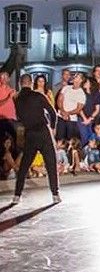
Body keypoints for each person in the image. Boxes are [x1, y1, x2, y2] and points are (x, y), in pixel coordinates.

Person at [11, 74, 61, 205]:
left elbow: (19, 117)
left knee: (24, 165)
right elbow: (52, 112)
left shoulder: (17, 99)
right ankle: (55, 194)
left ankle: (17, 195)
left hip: (30, 134)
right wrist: (53, 127)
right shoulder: (38, 96)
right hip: (42, 132)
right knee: (51, 163)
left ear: (20, 84)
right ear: (31, 82)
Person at [56, 72, 86, 141]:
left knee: (70, 140)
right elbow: (59, 100)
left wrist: (68, 114)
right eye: (75, 76)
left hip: (71, 120)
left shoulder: (81, 94)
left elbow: (78, 109)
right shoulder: (66, 87)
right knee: (59, 139)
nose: (75, 77)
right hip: (61, 117)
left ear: (81, 80)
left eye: (77, 76)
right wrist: (63, 111)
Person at [0, 72, 18, 142]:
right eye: (2, 77)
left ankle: (14, 152)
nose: (4, 79)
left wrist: (16, 97)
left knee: (14, 139)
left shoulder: (11, 90)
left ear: (9, 79)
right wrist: (8, 97)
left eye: (6, 77)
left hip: (11, 119)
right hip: (1, 119)